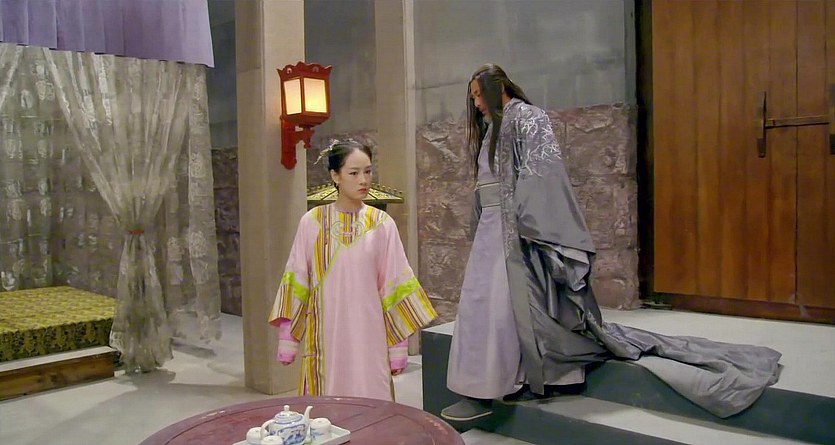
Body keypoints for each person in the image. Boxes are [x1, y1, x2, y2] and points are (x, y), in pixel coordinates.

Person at [441, 64, 781, 421]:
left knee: (501, 307)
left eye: (478, 94)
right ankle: (499, 383)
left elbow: (544, 174)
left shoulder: (528, 117)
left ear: (498, 88)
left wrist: (525, 222)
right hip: (493, 229)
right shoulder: (495, 127)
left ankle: (497, 387)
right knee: (486, 304)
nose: (476, 103)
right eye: (473, 97)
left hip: (515, 228)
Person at [269, 139, 437, 401]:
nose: (363, 180)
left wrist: (398, 346)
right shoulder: (312, 222)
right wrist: (288, 338)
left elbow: (395, 284)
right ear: (335, 176)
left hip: (370, 334)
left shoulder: (382, 223)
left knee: (373, 402)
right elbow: (297, 279)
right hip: (326, 333)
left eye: (368, 171)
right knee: (326, 406)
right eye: (354, 173)